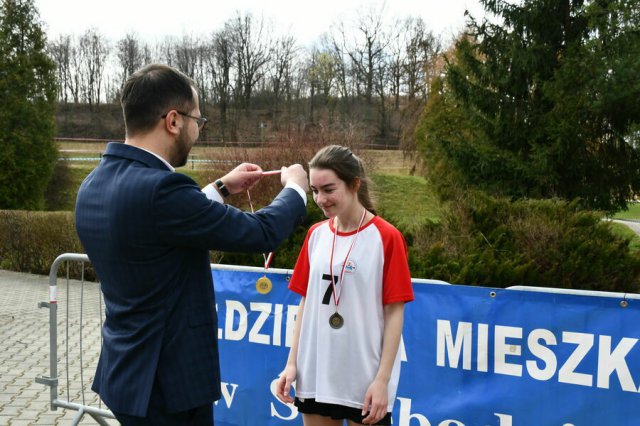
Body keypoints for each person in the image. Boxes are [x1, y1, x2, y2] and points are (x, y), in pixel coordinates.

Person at [74, 63, 309, 425]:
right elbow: (260, 231)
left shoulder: (94, 184)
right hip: (171, 386)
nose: (199, 130)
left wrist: (221, 188)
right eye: (198, 120)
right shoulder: (163, 190)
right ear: (173, 121)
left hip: (126, 377)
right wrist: (295, 189)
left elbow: (157, 225)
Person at [275, 145, 414, 425]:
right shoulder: (316, 235)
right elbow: (306, 304)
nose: (320, 199)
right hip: (316, 372)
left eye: (328, 189)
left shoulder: (386, 237)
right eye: (314, 190)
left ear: (354, 184)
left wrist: (382, 381)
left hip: (363, 380)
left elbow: (394, 313)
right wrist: (292, 364)